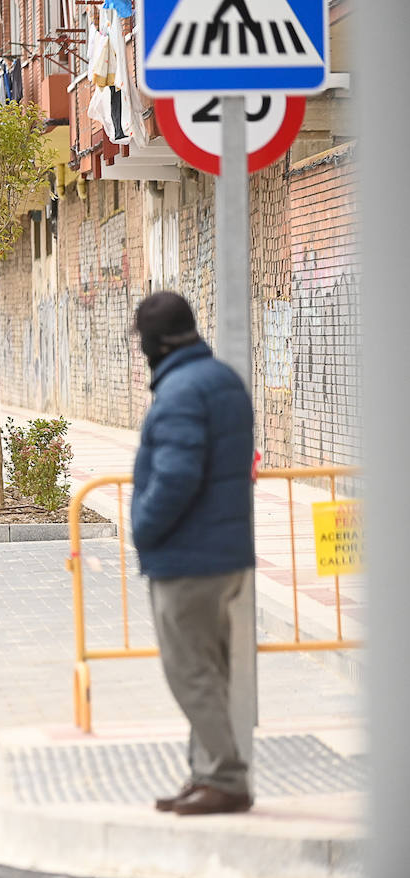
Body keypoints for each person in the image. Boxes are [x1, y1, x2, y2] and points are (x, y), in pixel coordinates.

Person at [131, 292, 257, 817]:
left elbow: (177, 477)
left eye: (142, 342)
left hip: (189, 557)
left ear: (157, 342)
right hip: (223, 552)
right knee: (211, 668)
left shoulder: (182, 391)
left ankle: (225, 779)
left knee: (191, 672)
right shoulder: (221, 378)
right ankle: (205, 773)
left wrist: (143, 527)